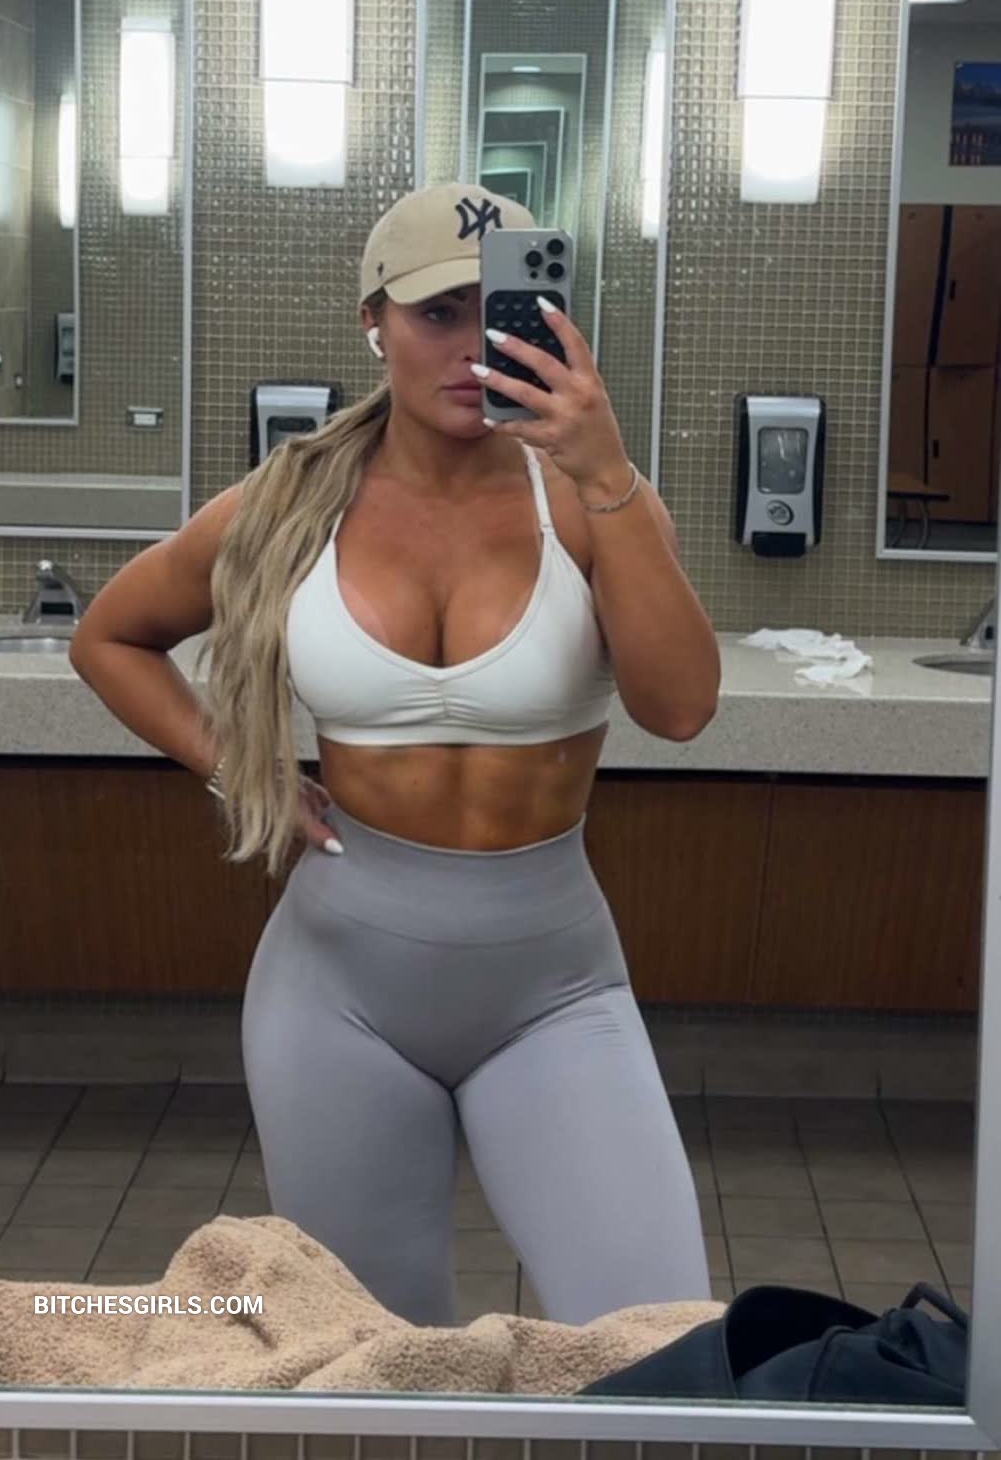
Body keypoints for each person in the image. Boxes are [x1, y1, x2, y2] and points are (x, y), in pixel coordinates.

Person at [70, 181, 721, 1329]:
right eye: (436, 313)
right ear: (373, 320)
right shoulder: (288, 504)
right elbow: (109, 638)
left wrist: (607, 472)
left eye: (497, 311)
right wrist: (243, 769)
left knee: (654, 1339)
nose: (471, 348)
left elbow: (679, 708)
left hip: (554, 990)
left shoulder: (588, 500)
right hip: (337, 995)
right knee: (376, 1360)